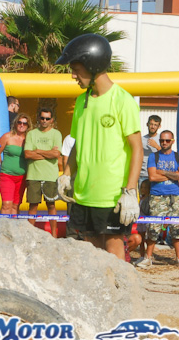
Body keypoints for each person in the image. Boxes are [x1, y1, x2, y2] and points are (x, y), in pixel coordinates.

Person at [57, 33, 142, 260]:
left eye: (76, 69)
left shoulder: (122, 100)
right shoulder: (81, 101)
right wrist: (66, 175)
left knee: (113, 253)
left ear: (93, 65)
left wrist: (130, 191)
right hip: (84, 194)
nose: (73, 76)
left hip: (112, 195)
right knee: (91, 256)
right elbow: (78, 144)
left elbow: (137, 148)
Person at [138, 130, 179, 268]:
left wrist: (164, 172)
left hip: (175, 196)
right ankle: (148, 258)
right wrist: (173, 174)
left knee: (177, 227)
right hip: (157, 196)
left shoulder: (178, 156)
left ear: (172, 141)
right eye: (161, 140)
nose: (164, 143)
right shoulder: (153, 156)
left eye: (167, 140)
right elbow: (152, 177)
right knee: (153, 228)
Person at [23, 107, 62, 238]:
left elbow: (56, 154)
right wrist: (48, 154)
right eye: (42, 118)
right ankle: (30, 235)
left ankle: (54, 235)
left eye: (47, 118)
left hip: (50, 176)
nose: (44, 121)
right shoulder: (31, 134)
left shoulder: (56, 134)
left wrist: (38, 150)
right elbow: (27, 154)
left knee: (51, 205)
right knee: (33, 206)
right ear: (38, 119)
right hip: (34, 175)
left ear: (52, 120)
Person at [0, 113, 30, 216]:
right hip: (7, 175)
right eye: (19, 122)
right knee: (6, 204)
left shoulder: (29, 139)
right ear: (15, 123)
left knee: (16, 206)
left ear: (28, 126)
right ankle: (4, 226)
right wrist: (0, 163)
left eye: (25, 123)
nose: (22, 125)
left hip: (22, 177)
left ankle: (13, 226)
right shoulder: (7, 136)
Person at [141, 115, 161, 185]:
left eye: (155, 125)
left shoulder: (162, 139)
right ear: (147, 124)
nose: (153, 127)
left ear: (159, 126)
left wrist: (157, 147)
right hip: (143, 174)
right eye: (151, 124)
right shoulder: (141, 139)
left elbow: (167, 154)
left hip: (156, 174)